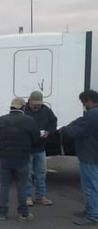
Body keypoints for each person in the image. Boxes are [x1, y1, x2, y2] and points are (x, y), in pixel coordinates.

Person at [0, 97, 40, 222]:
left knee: (4, 185)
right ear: (23, 107)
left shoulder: (1, 119)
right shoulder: (29, 120)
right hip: (22, 159)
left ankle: (2, 213)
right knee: (22, 186)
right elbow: (36, 138)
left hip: (4, 158)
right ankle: (23, 214)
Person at [61, 89, 98, 226]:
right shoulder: (93, 114)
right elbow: (79, 122)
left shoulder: (92, 115)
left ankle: (93, 215)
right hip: (94, 154)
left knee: (90, 187)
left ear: (88, 101)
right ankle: (90, 210)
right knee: (92, 186)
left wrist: (64, 129)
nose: (83, 105)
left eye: (83, 102)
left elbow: (74, 131)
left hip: (90, 155)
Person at [24, 91, 57, 206]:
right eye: (35, 104)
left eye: (39, 104)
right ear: (29, 101)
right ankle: (27, 196)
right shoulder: (23, 111)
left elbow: (53, 122)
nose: (37, 106)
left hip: (40, 148)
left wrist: (49, 132)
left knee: (41, 173)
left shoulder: (46, 110)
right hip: (27, 148)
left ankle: (40, 196)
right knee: (27, 174)